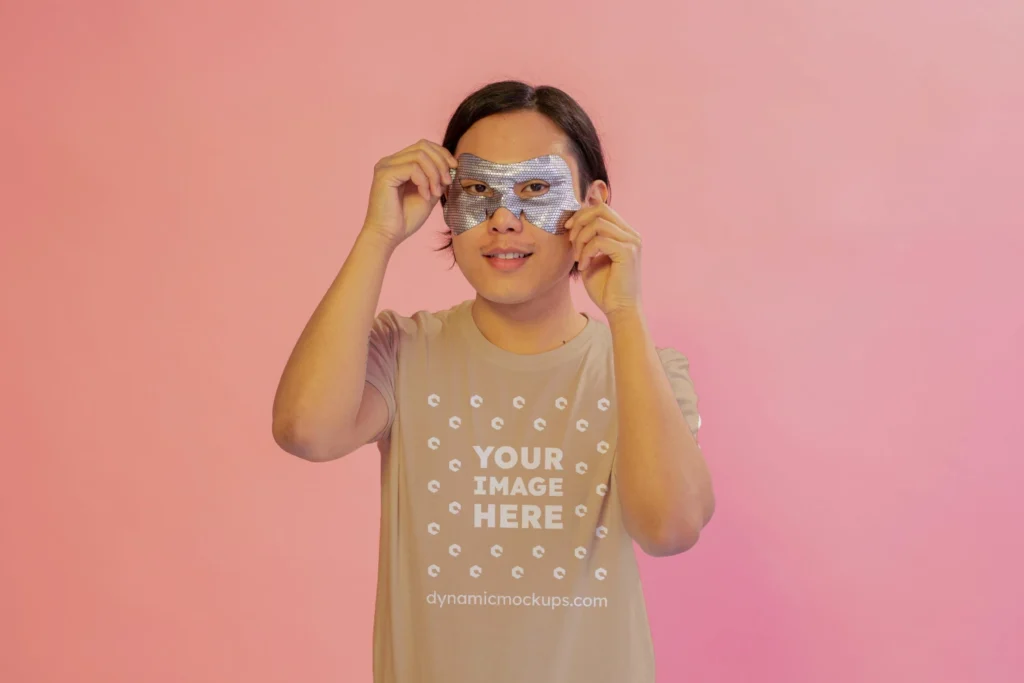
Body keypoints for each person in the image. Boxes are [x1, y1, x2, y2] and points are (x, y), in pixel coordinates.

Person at [272, 80, 715, 683]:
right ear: (445, 200)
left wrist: (625, 314)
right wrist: (377, 237)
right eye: (478, 190)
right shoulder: (403, 351)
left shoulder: (646, 370)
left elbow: (670, 528)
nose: (504, 220)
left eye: (536, 188)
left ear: (594, 201)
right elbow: (305, 431)